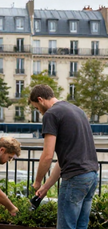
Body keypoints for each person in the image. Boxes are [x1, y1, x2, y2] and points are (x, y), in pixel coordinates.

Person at [29, 84, 99, 229]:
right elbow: (64, 159)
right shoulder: (77, 110)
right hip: (90, 177)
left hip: (74, 179)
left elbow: (47, 155)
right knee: (81, 226)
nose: (39, 111)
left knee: (66, 226)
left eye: (36, 108)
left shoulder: (51, 114)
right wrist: (46, 187)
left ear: (40, 99)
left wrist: (37, 181)